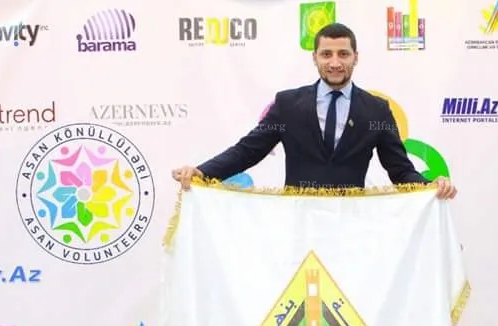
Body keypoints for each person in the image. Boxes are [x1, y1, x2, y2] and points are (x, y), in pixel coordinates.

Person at [171, 22, 457, 200]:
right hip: (297, 225)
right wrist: (202, 172)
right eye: (326, 54)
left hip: (353, 227)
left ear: (356, 58)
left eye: (343, 54)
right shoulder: (287, 104)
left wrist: (431, 186)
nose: (335, 63)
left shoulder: (377, 111)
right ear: (315, 58)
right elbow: (247, 151)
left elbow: (400, 170)